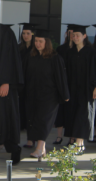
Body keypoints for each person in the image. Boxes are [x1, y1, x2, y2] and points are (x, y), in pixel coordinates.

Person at [24, 29, 70, 161]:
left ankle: (39, 148)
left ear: (47, 43)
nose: (37, 44)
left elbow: (61, 78)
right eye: (36, 41)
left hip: (49, 96)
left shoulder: (55, 58)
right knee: (34, 119)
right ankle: (42, 148)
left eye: (40, 41)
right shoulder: (31, 57)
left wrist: (65, 94)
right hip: (33, 94)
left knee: (43, 121)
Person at [63, 24, 96, 154]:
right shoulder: (70, 53)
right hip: (73, 89)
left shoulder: (91, 52)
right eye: (73, 35)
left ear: (84, 36)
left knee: (83, 115)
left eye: (78, 35)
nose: (75, 37)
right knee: (74, 114)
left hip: (87, 90)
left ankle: (80, 144)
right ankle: (77, 142)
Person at [0, 24, 24, 165]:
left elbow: (10, 57)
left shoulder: (4, 31)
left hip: (3, 84)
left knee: (5, 117)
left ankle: (13, 149)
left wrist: (6, 81)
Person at [52, 23, 76, 145]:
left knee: (72, 111)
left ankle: (72, 138)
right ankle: (59, 136)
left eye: (74, 33)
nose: (72, 35)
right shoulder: (61, 49)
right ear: (66, 34)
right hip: (62, 82)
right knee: (61, 110)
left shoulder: (78, 50)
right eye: (70, 33)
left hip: (73, 83)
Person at [18, 23, 38, 148]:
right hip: (21, 84)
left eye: (28, 33)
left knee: (32, 112)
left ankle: (31, 140)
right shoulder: (19, 48)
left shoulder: (35, 50)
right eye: (24, 33)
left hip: (32, 84)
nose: (25, 36)